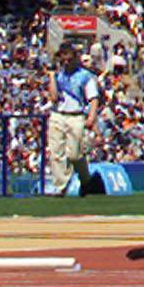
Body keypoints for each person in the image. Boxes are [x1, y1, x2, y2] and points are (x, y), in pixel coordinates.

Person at [45, 43, 102, 195]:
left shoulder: (85, 76)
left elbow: (93, 98)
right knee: (56, 152)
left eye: (69, 60)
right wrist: (51, 76)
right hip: (58, 114)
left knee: (75, 154)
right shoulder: (59, 75)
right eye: (63, 60)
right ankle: (60, 186)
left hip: (76, 115)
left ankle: (86, 179)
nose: (66, 63)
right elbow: (53, 97)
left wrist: (92, 116)